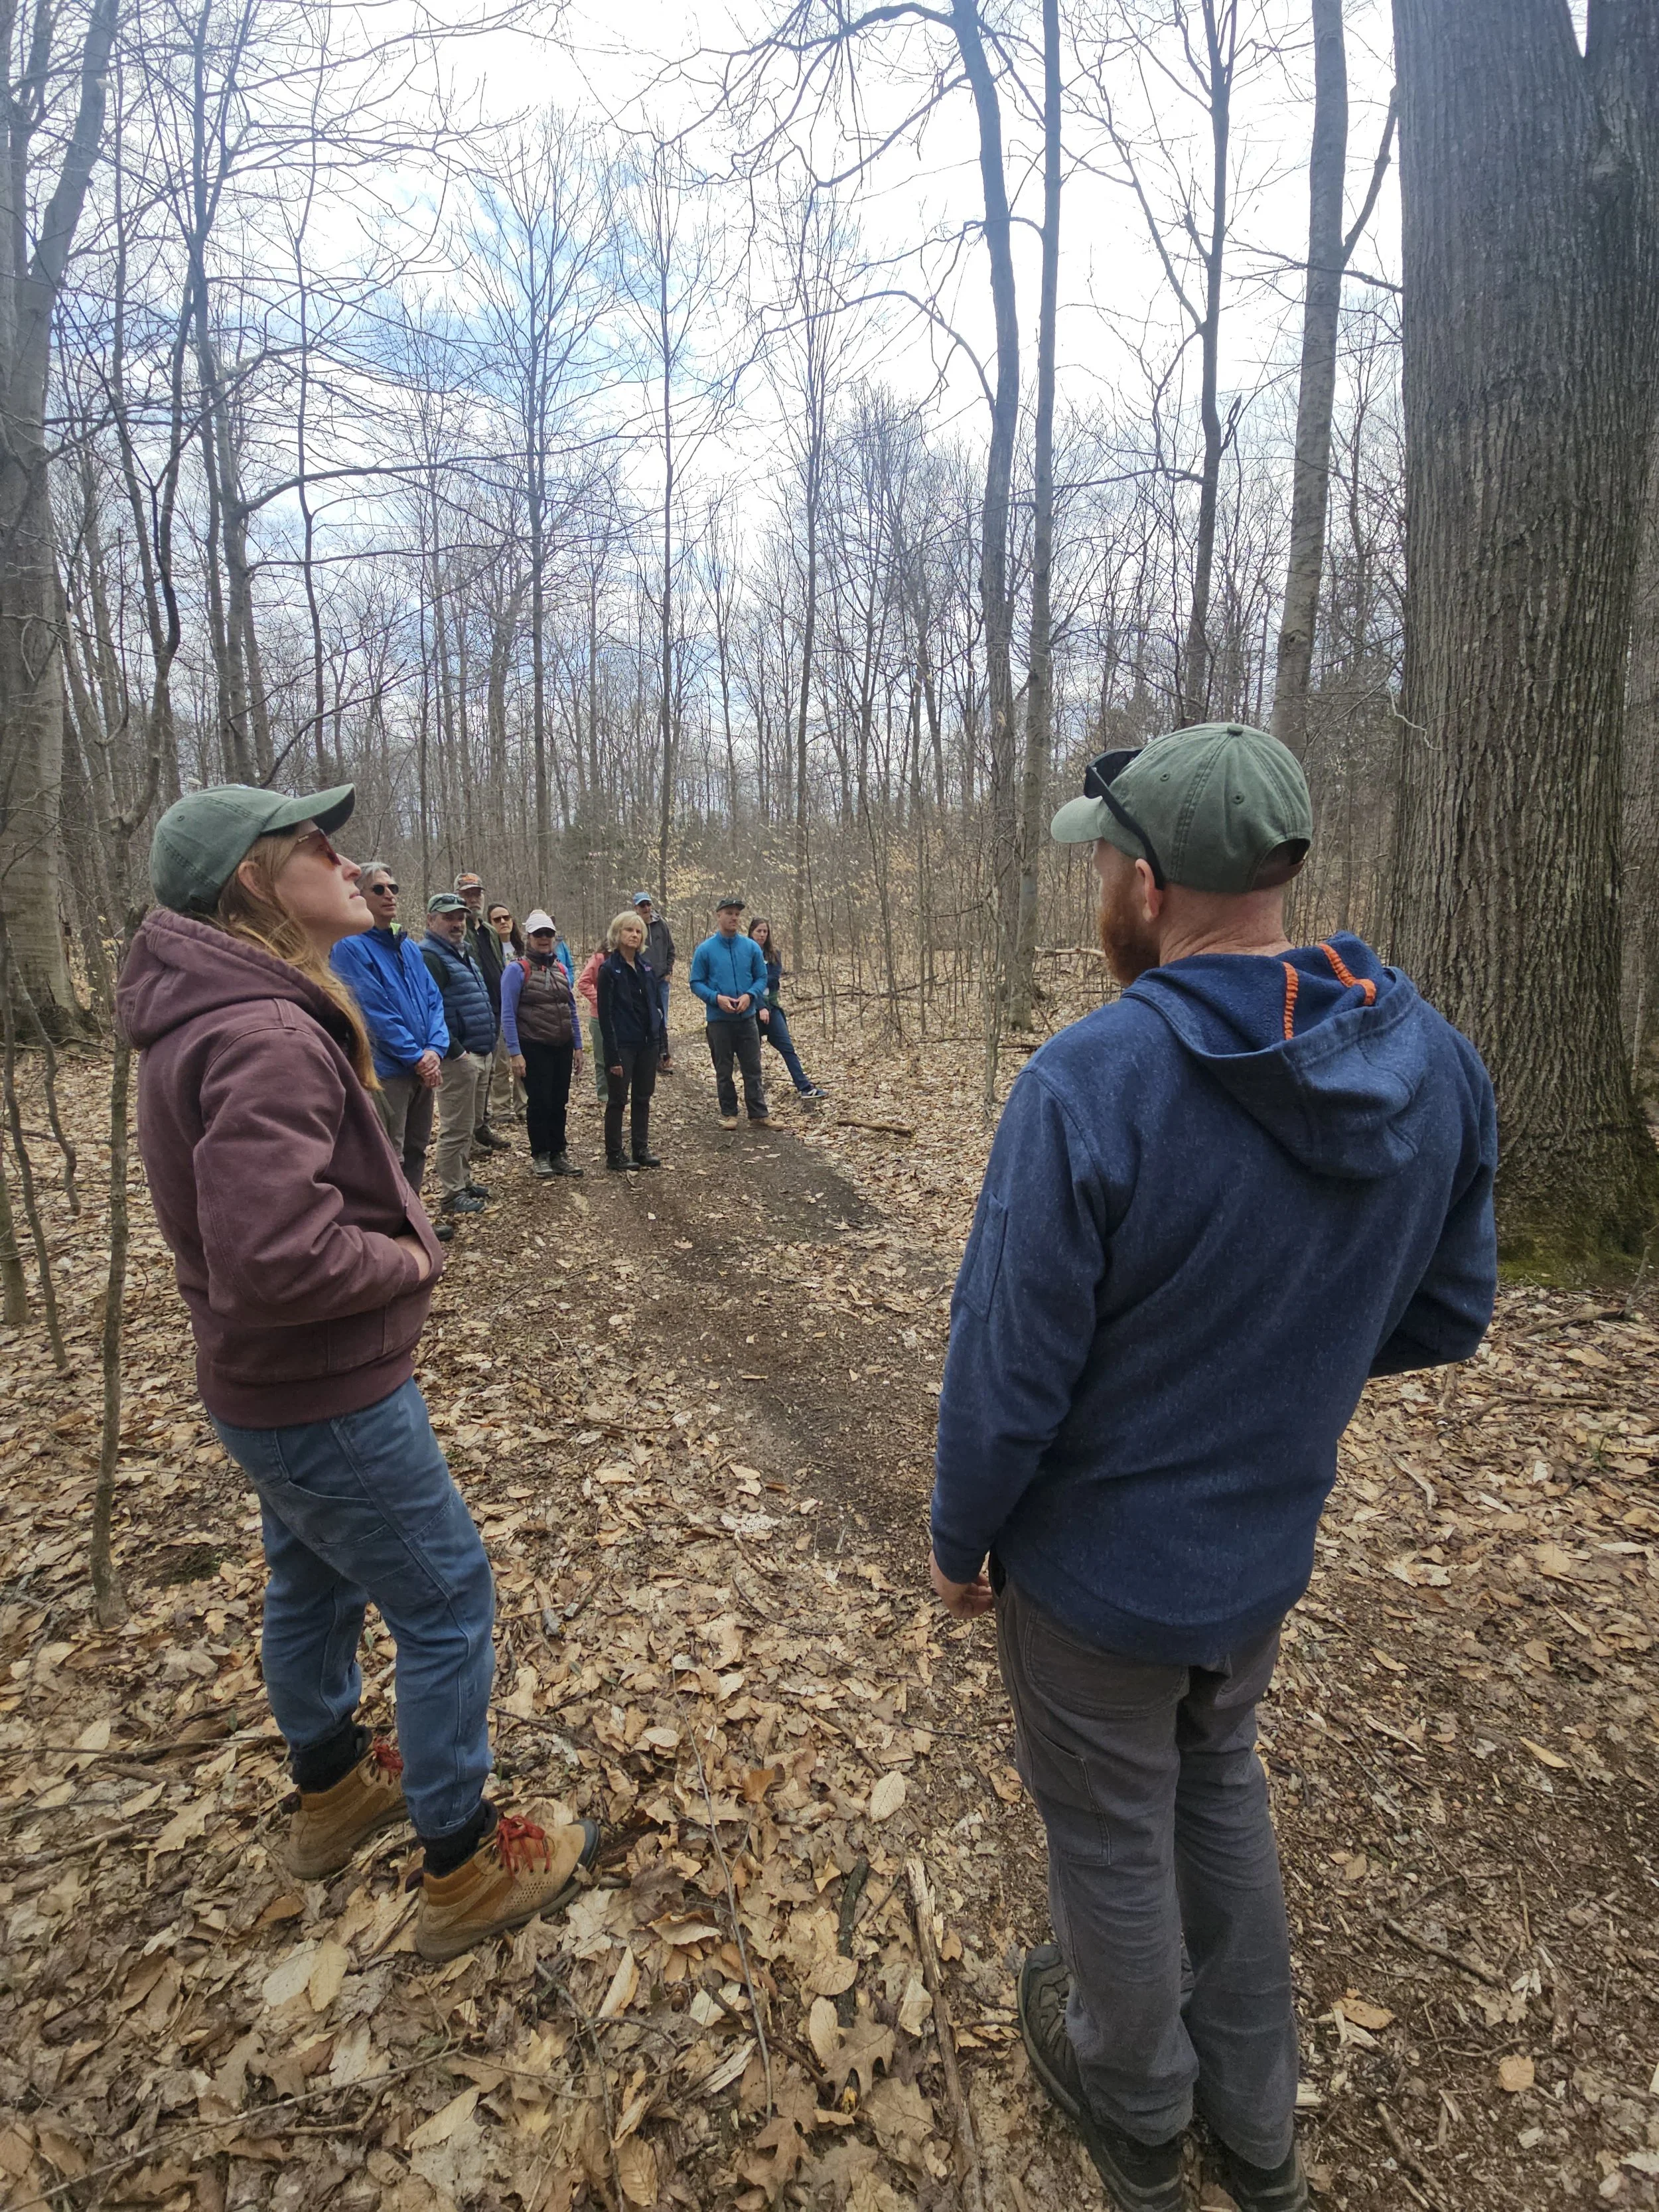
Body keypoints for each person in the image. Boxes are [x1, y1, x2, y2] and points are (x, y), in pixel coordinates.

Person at [928, 723, 1498, 2212]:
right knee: (1215, 1782)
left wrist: (957, 1535)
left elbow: (1006, 1370)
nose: (1096, 889)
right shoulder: (1432, 1060)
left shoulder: (1087, 1080)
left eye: (1100, 864)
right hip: (1256, 1554)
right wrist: (1280, 1368)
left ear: (1142, 880)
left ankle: (1134, 2108)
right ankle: (1256, 2131)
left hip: (1096, 1579)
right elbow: (1444, 1310)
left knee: (1112, 1831)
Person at [118, 781, 597, 1961]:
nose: (341, 854)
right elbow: (274, 1254)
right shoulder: (261, 1028)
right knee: (446, 1600)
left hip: (270, 1393)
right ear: (250, 882)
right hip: (323, 1392)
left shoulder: (219, 1006)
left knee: (314, 1580)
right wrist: (409, 1251)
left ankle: (333, 1785)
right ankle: (463, 1858)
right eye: (308, 842)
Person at [330, 865, 449, 1216]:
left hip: (423, 1068)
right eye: (378, 889)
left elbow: (433, 1000)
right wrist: (416, 1056)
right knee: (389, 1153)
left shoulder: (408, 948)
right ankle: (390, 1226)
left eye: (392, 887)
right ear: (360, 895)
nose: (389, 895)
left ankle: (412, 1218)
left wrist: (435, 1050)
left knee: (416, 1148)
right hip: (386, 1070)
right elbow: (372, 1011)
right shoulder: (349, 948)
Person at [422, 893, 498, 1218]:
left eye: (460, 918)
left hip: (479, 1050)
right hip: (458, 1057)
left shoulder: (461, 953)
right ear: (431, 921)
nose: (456, 924)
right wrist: (457, 1051)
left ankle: (464, 1182)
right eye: (448, 917)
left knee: (468, 1125)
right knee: (455, 1128)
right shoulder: (431, 957)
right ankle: (451, 1194)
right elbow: (430, 1010)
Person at [502, 909, 585, 1179]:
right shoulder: (517, 970)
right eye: (539, 934)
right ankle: (540, 1154)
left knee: (559, 1101)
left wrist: (578, 1045)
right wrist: (515, 1053)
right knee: (539, 1102)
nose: (544, 939)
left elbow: (570, 1008)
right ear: (529, 936)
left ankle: (559, 1152)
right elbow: (508, 1014)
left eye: (548, 934)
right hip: (533, 1046)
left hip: (561, 1045)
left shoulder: (560, 968)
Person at [688, 897, 771, 1130]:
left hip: (747, 1019)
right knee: (723, 1069)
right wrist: (717, 999)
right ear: (718, 915)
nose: (734, 918)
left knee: (753, 1067)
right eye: (729, 913)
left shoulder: (751, 947)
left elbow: (761, 977)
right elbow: (695, 982)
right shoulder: (705, 950)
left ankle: (759, 1114)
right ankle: (729, 1113)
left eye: (737, 914)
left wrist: (750, 996)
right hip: (719, 1020)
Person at [595, 909, 665, 1171]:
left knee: (643, 1097)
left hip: (648, 1043)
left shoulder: (647, 967)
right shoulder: (609, 970)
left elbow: (657, 1007)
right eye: (629, 930)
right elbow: (606, 1016)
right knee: (617, 1100)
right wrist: (612, 1056)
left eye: (638, 931)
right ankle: (614, 1153)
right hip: (622, 1044)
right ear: (617, 933)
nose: (634, 935)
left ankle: (641, 1147)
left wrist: (662, 1044)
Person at [456, 869, 510, 1154]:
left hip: (495, 1010)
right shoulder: (457, 928)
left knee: (488, 1072)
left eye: (476, 893)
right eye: (467, 894)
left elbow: (499, 966)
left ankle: (482, 1126)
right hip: (471, 1011)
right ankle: (467, 1135)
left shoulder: (488, 931)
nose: (473, 899)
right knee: (471, 1075)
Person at [747, 917, 827, 1100]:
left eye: (765, 931)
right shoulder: (745, 953)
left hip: (772, 1007)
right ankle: (754, 1097)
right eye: (759, 931)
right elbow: (747, 982)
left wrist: (764, 1000)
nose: (762, 935)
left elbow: (771, 978)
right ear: (752, 932)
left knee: (787, 1047)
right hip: (752, 1009)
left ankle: (804, 1087)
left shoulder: (774, 954)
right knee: (752, 1054)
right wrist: (759, 1006)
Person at [486, 903, 527, 1124]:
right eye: (497, 919)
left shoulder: (522, 950)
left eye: (507, 917)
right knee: (501, 1061)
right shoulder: (490, 950)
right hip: (498, 1011)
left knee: (523, 1058)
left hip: (524, 1011)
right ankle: (501, 1108)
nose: (503, 922)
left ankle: (523, 1105)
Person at [631, 891, 677, 1071]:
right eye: (642, 906)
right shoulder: (633, 927)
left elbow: (671, 950)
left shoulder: (661, 925)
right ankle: (645, 1058)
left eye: (648, 904)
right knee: (643, 1017)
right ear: (636, 908)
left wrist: (668, 971)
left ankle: (662, 1057)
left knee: (661, 1018)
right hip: (641, 981)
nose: (646, 909)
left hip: (661, 980)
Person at [576, 940, 608, 1103]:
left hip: (623, 1018)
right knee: (602, 1059)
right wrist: (601, 1001)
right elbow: (583, 983)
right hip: (599, 1017)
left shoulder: (629, 959)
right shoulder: (600, 959)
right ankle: (603, 1095)